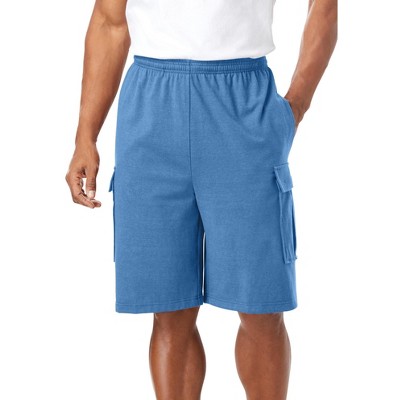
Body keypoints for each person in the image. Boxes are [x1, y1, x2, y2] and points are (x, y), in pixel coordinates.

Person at [65, 0, 337, 398]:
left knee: (261, 306)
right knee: (169, 309)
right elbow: (109, 22)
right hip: (151, 108)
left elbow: (323, 6)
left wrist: (296, 105)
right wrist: (85, 136)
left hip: (243, 104)